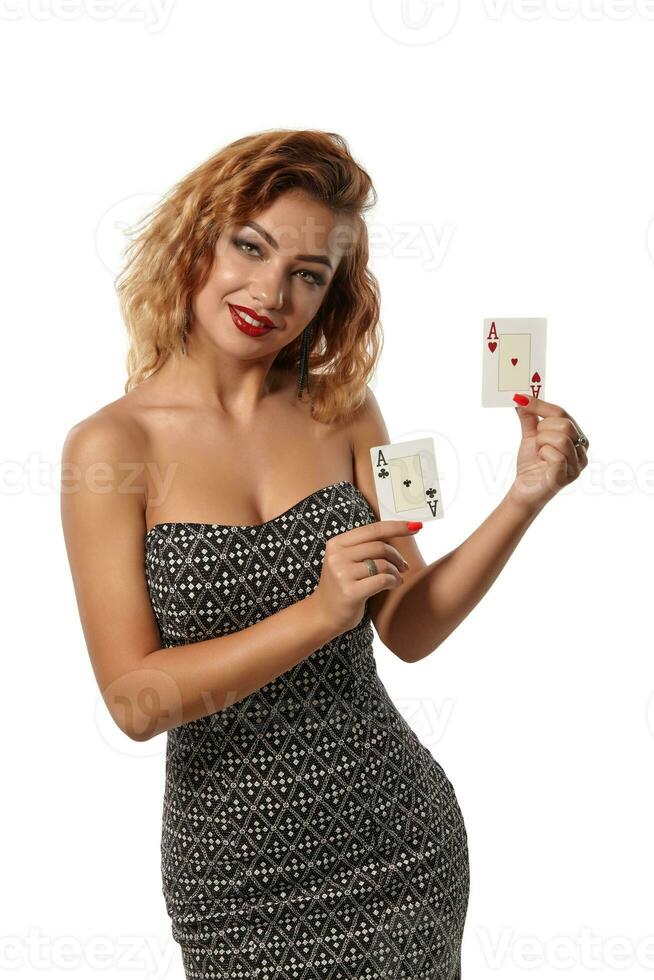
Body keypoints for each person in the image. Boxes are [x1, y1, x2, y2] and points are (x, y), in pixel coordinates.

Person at [60, 129, 588, 979]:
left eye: (308, 274)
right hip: (236, 881)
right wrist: (317, 613)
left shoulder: (347, 408)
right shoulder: (108, 446)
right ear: (199, 236)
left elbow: (409, 629)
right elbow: (134, 702)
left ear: (331, 293)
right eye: (251, 246)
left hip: (399, 849)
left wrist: (523, 498)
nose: (270, 292)